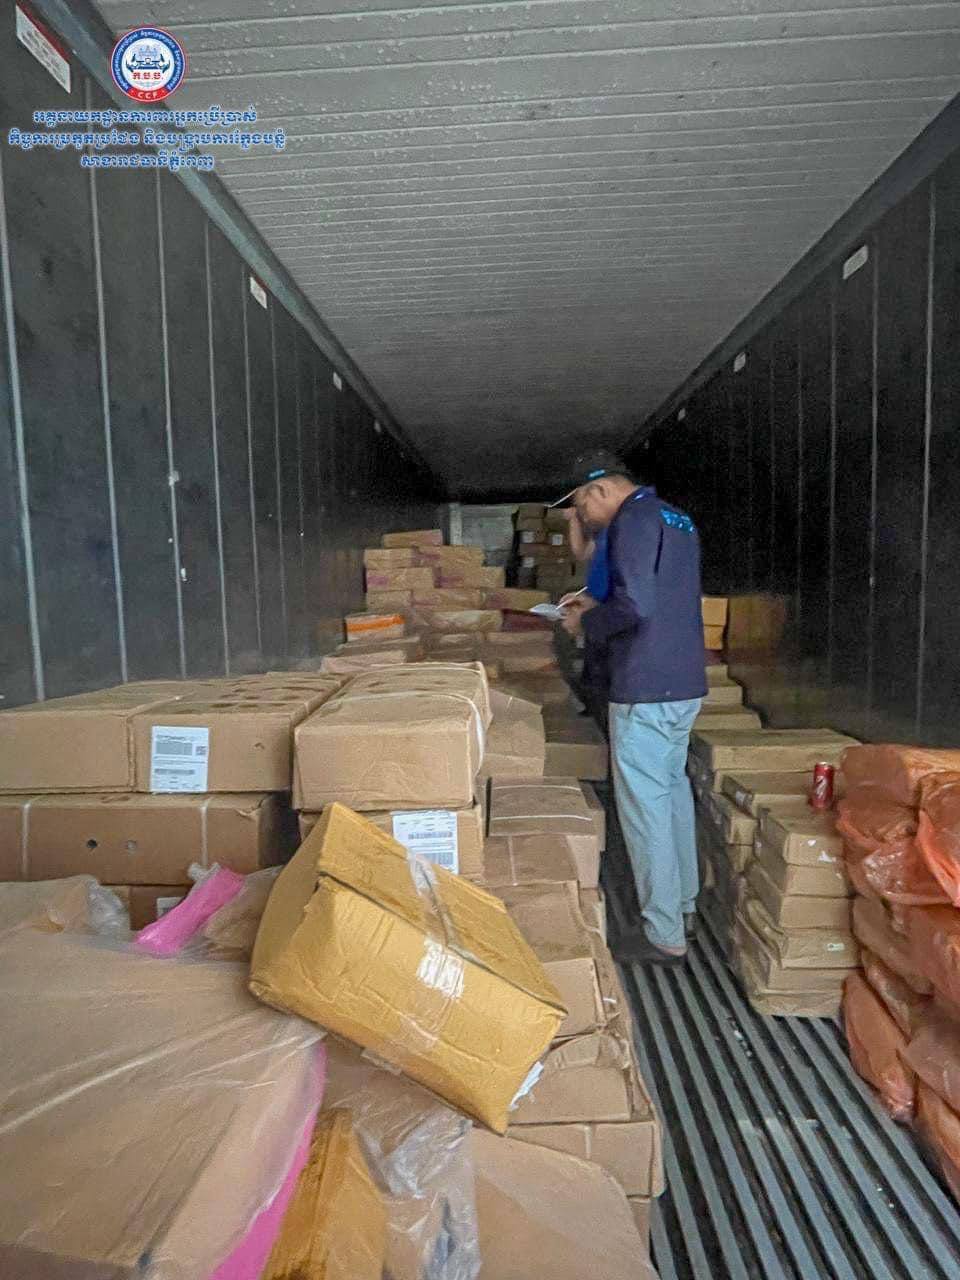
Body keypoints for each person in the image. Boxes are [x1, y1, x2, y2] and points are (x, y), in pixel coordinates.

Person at [560, 454, 707, 966]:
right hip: (683, 681)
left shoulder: (632, 520)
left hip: (645, 683)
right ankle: (684, 905)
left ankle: (663, 934)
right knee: (671, 792)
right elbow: (656, 596)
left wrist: (586, 624)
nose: (584, 517)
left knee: (646, 809)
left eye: (581, 506)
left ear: (599, 491)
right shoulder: (675, 517)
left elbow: (636, 605)